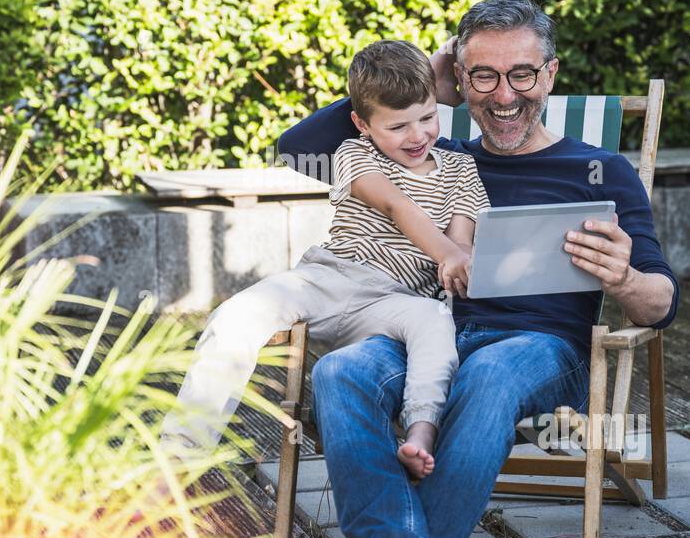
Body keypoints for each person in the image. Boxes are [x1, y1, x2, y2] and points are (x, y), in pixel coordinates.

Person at [281, 0, 680, 538]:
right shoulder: (432, 159)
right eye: (483, 76)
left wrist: (623, 278)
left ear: (549, 74)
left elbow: (658, 305)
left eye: (522, 74)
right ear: (460, 81)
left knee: (489, 373)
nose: (503, 96)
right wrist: (425, 77)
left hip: (540, 351)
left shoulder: (600, 170)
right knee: (339, 371)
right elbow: (297, 150)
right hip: (427, 330)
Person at [158, 39, 490, 480]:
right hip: (328, 279)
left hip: (395, 301)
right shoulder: (355, 152)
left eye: (428, 118)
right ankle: (178, 461)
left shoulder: (462, 169)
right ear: (361, 124)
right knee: (235, 316)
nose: (417, 136)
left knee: (434, 321)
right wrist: (446, 252)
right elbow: (394, 204)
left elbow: (461, 240)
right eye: (397, 127)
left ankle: (420, 431)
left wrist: (460, 261)